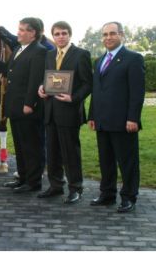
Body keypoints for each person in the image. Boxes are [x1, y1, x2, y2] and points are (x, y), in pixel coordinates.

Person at [88, 21, 145, 213]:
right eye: (104, 35)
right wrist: (92, 115)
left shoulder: (133, 58)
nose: (108, 38)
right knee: (106, 160)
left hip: (123, 122)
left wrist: (133, 118)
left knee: (127, 161)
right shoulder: (99, 60)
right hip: (102, 121)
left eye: (112, 33)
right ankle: (107, 194)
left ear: (121, 35)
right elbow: (96, 91)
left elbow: (137, 93)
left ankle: (129, 197)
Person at [37, 21, 93, 203]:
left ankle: (76, 188)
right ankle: (55, 186)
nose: (60, 37)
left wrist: (74, 98)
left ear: (70, 35)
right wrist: (41, 89)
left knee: (70, 153)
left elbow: (87, 83)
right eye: (57, 34)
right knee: (52, 152)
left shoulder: (81, 54)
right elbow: (47, 78)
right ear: (53, 36)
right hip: (50, 110)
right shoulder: (49, 54)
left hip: (69, 111)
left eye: (64, 33)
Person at [0, 17, 46, 193]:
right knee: (20, 145)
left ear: (33, 33)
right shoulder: (19, 49)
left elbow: (34, 80)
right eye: (19, 29)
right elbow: (9, 70)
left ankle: (33, 182)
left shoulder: (38, 51)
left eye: (23, 29)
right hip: (14, 107)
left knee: (31, 146)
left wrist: (29, 103)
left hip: (27, 108)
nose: (18, 32)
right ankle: (23, 178)